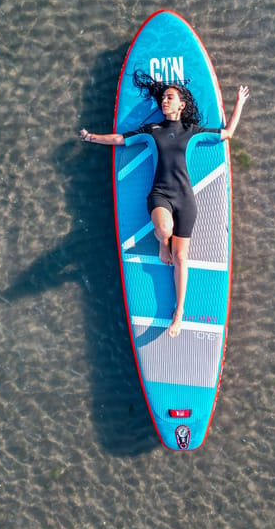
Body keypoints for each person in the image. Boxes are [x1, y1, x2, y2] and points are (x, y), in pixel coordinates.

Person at [80, 72, 249, 337]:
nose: (164, 101)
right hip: (160, 194)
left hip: (185, 200)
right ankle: (162, 242)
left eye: (170, 97)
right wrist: (92, 137)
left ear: (181, 105)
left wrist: (239, 103)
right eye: (163, 98)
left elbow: (227, 133)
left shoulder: (192, 132)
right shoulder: (152, 131)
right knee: (164, 230)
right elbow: (120, 140)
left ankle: (178, 313)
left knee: (182, 258)